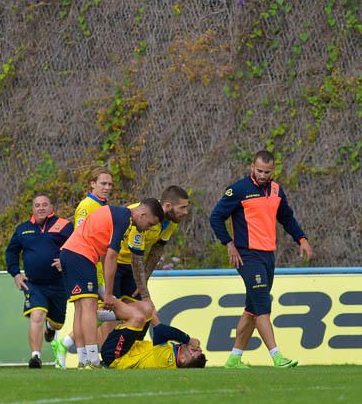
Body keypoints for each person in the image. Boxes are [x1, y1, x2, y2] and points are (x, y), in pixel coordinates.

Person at [51, 186, 190, 367]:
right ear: (142, 215)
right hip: (80, 255)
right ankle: (92, 361)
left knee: (86, 308)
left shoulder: (121, 216)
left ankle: (84, 360)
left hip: (79, 255)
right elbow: (111, 256)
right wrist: (108, 293)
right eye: (149, 225)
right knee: (89, 306)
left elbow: (103, 251)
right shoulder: (124, 219)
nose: (148, 229)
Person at [210, 150, 313, 369]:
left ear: (273, 170)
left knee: (252, 309)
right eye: (259, 171)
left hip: (268, 255)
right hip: (247, 255)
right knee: (263, 305)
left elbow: (287, 218)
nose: (263, 175)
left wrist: (301, 239)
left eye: (267, 171)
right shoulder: (238, 190)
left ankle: (234, 359)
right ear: (251, 167)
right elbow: (216, 217)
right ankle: (277, 357)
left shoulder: (276, 191)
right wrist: (229, 244)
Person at [53, 168, 114, 363]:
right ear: (92, 184)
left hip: (95, 266)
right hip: (85, 263)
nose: (107, 187)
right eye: (103, 183)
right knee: (89, 310)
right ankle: (88, 358)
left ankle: (75, 350)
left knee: (91, 311)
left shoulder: (104, 206)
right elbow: (82, 238)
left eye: (110, 184)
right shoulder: (87, 206)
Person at [5, 193, 73, 368]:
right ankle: (35, 357)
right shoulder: (23, 229)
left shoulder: (64, 226)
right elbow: (11, 252)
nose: (41, 208)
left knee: (58, 324)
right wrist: (16, 274)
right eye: (37, 205)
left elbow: (77, 245)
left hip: (59, 284)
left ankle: (50, 328)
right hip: (34, 284)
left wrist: (64, 260)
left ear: (51, 208)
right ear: (32, 209)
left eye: (45, 205)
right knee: (37, 315)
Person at [100, 299, 206, 369]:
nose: (192, 346)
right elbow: (158, 326)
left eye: (193, 350)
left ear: (182, 359)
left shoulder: (168, 360)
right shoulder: (176, 352)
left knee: (138, 319)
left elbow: (160, 330)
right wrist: (150, 313)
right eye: (197, 348)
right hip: (132, 347)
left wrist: (188, 340)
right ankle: (103, 316)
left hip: (116, 357)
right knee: (147, 306)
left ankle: (98, 314)